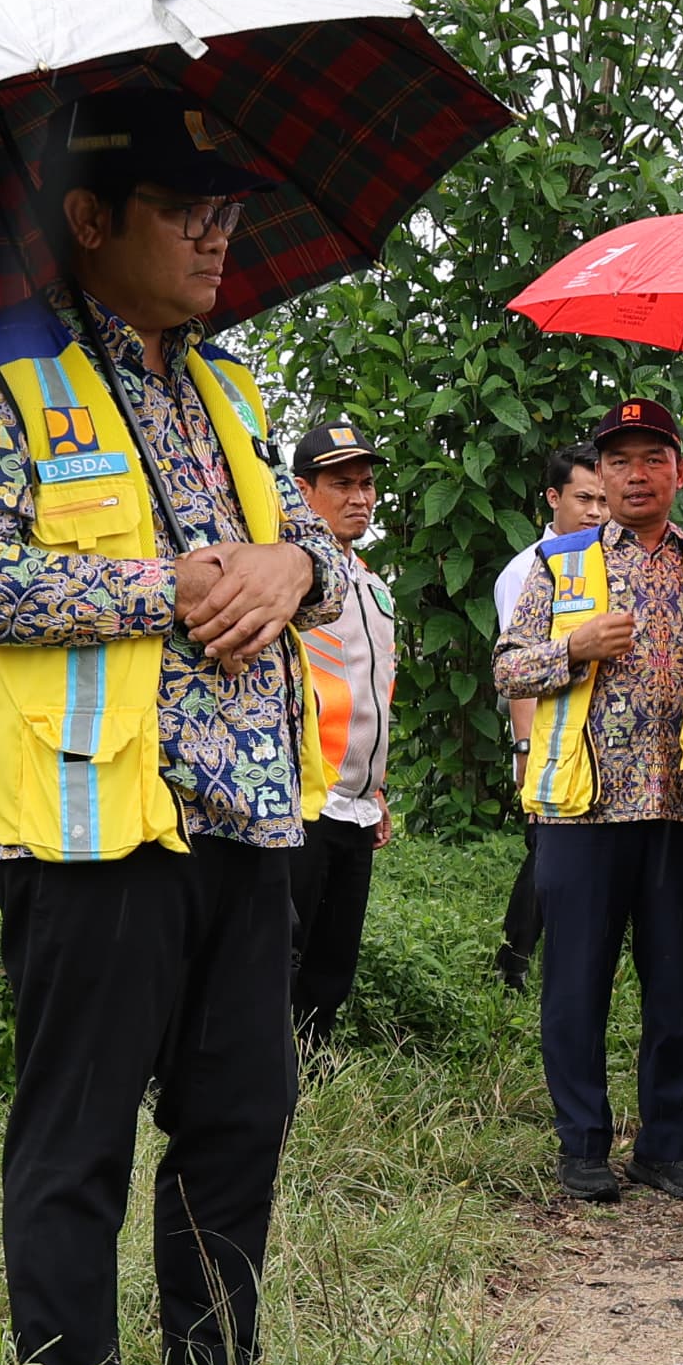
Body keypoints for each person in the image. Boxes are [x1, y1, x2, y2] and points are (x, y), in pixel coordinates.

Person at [0, 84, 333, 1365]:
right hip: (90, 829)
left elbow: (301, 565)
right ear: (90, 218)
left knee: (239, 1123)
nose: (218, 239)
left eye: (227, 212)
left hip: (246, 822)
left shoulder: (223, 386)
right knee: (77, 1139)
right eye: (185, 212)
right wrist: (168, 586)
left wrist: (297, 563)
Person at [494, 396, 683, 1207]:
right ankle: (583, 1146)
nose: (635, 474)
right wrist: (572, 648)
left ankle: (666, 1143)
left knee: (677, 986)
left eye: (651, 458)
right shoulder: (561, 564)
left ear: (679, 472)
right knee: (576, 983)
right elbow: (508, 668)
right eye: (618, 461)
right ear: (599, 474)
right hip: (582, 808)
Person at [285, 415, 398, 1060]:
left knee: (334, 958)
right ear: (304, 492)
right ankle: (268, 1077)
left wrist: (377, 789)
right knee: (285, 950)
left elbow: (375, 692)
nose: (359, 498)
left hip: (356, 801)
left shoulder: (373, 585)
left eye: (365, 484)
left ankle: (313, 1075)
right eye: (341, 485)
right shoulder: (291, 579)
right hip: (304, 796)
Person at [494, 445, 609, 992]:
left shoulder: (603, 558)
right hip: (547, 740)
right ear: (553, 498)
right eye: (584, 498)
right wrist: (524, 750)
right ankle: (514, 962)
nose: (595, 511)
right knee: (543, 852)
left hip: (593, 745)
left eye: (603, 500)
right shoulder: (532, 569)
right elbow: (516, 664)